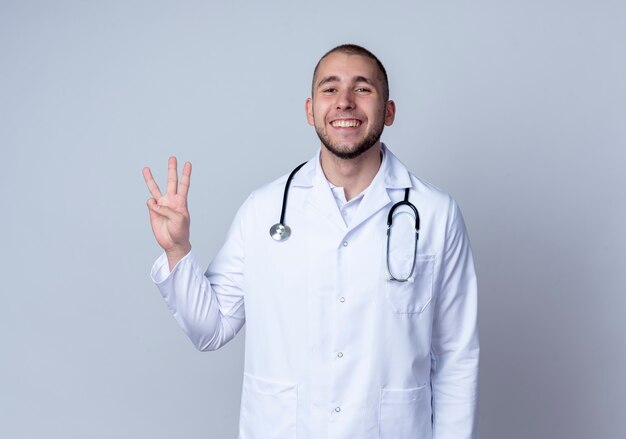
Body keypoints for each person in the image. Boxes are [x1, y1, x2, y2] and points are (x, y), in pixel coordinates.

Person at [143, 44, 479, 439]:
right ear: (310, 109)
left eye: (363, 89)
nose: (345, 103)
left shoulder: (436, 214)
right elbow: (210, 329)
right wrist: (177, 250)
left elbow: (456, 356)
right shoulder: (264, 209)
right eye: (330, 89)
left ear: (389, 111)